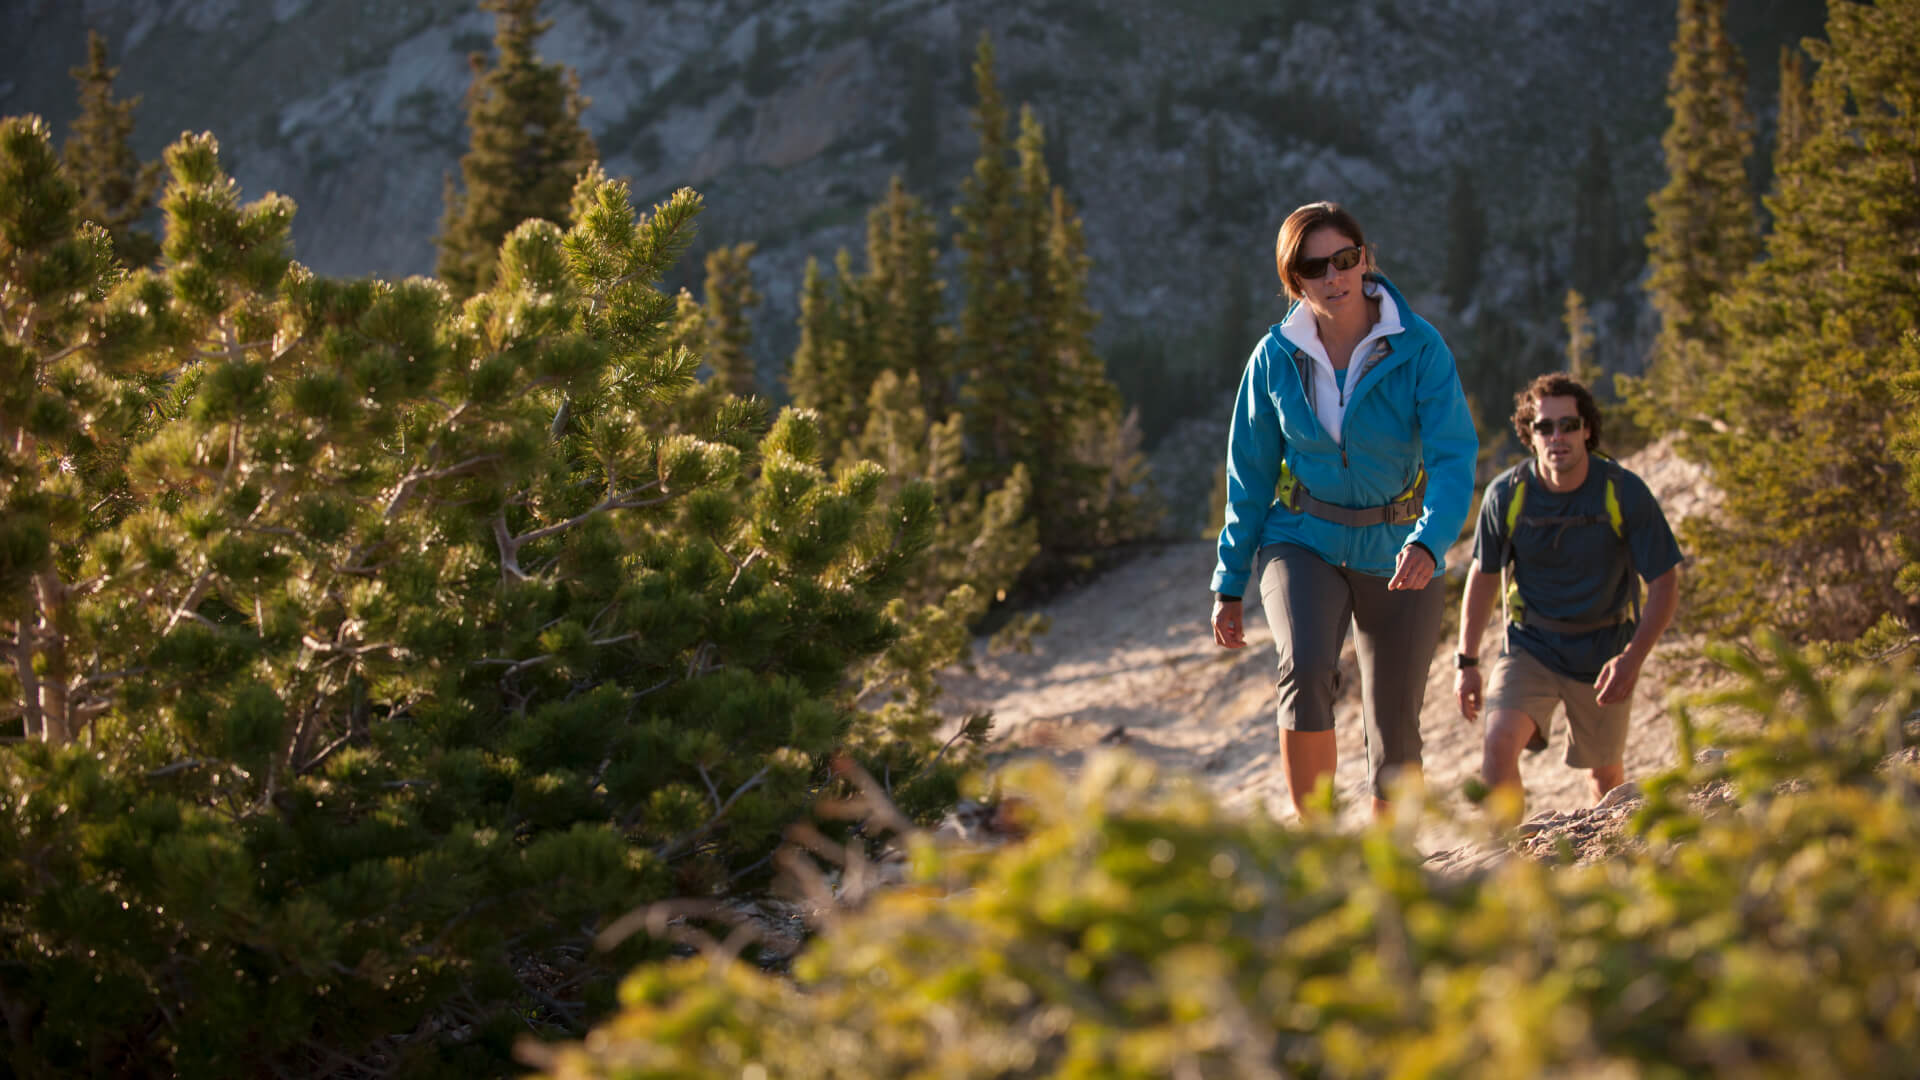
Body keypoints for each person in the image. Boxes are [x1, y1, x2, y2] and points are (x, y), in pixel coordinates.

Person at [1211, 201, 1478, 820]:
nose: (1333, 276)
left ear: (1365, 259)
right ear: (1293, 280)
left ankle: (1388, 870)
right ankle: (1320, 847)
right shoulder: (1274, 357)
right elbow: (1246, 478)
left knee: (1396, 725)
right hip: (1303, 539)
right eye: (1313, 267)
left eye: (1344, 259)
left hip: (1400, 550)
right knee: (1304, 669)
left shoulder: (1420, 349)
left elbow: (1453, 456)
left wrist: (1431, 540)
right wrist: (1228, 582)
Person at [1453, 373, 1683, 817]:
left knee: (1605, 778)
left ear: (1587, 430)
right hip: (1531, 645)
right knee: (1498, 747)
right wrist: (1467, 661)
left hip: (1604, 650)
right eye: (1544, 427)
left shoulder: (1622, 491)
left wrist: (1632, 659)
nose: (1557, 436)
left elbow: (1665, 581)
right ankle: (1510, 867)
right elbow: (1483, 576)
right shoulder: (1507, 494)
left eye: (1568, 425)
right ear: (1529, 435)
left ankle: (1604, 862)